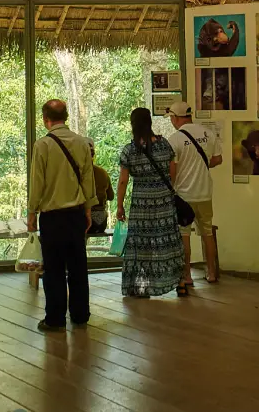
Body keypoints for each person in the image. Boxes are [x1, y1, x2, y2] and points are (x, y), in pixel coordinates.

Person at [29, 99, 96, 332]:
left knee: (54, 268)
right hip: (76, 213)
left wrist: (31, 211)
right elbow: (88, 179)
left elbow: (37, 182)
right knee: (78, 266)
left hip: (52, 216)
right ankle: (80, 315)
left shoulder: (42, 145)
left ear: (45, 119)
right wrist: (88, 209)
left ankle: (55, 318)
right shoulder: (82, 142)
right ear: (65, 116)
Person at [116, 108, 183, 299]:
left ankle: (141, 287)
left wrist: (119, 205)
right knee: (168, 241)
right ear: (150, 123)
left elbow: (123, 181)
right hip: (164, 201)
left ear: (133, 125)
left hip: (141, 205)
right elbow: (172, 172)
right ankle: (180, 282)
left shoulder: (130, 150)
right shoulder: (164, 145)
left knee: (141, 245)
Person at [166, 101, 223, 290]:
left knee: (184, 235)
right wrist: (201, 166)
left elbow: (172, 170)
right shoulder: (208, 133)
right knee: (207, 233)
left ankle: (187, 275)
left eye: (172, 118)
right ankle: (212, 273)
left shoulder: (174, 139)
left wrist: (170, 189)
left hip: (184, 195)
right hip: (205, 192)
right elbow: (217, 159)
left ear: (175, 118)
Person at [86, 139, 113, 235]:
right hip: (101, 222)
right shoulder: (103, 173)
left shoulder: (76, 174)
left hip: (84, 221)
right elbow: (111, 196)